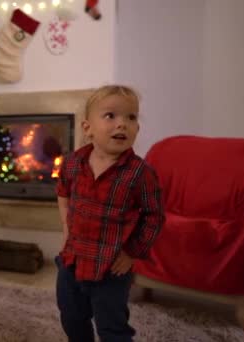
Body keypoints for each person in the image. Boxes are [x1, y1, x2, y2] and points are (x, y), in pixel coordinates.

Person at [55, 85, 165, 342]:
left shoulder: (140, 173)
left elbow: (154, 216)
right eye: (111, 116)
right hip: (72, 261)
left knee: (111, 325)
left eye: (131, 117)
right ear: (87, 128)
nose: (122, 125)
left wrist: (132, 253)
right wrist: (66, 230)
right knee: (71, 316)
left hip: (111, 267)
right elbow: (63, 194)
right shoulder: (72, 163)